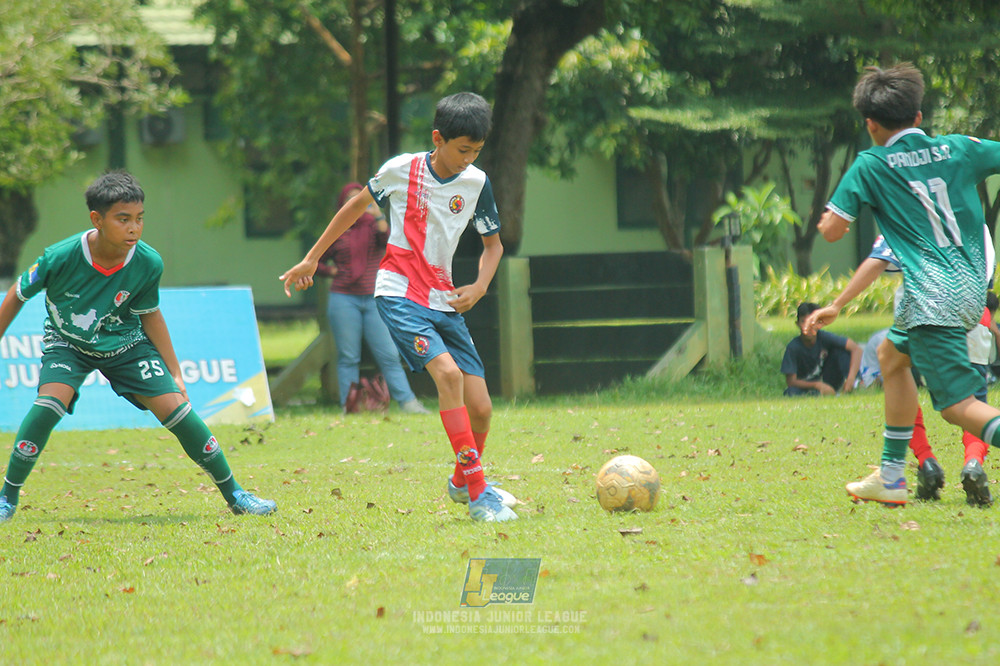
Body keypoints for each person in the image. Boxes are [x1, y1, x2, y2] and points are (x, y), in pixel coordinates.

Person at [281, 92, 518, 522]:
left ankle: (462, 481)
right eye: (462, 149)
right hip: (399, 292)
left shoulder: (477, 184)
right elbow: (355, 208)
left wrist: (481, 286)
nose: (468, 159)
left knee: (481, 407)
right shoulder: (401, 170)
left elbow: (493, 245)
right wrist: (313, 257)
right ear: (437, 138)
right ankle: (481, 492)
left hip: (444, 301)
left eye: (476, 151)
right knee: (447, 376)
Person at [0, 171, 277, 523]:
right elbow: (17, 294)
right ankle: (7, 498)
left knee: (178, 411)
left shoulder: (148, 262)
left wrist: (175, 373)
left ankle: (235, 493)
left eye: (139, 219)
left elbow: (150, 315)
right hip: (68, 343)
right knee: (48, 406)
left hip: (126, 346)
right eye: (123, 219)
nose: (134, 228)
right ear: (96, 220)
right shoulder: (60, 256)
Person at [812, 62, 1000, 507]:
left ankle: (896, 475)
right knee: (890, 357)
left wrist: (827, 219)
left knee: (957, 407)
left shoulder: (871, 164)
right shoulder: (959, 148)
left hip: (930, 295)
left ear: (870, 124)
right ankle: (893, 475)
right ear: (918, 117)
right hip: (971, 287)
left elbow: (833, 231)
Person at [807, 234, 997, 504]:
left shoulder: (907, 207)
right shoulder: (975, 220)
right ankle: (973, 463)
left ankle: (924, 462)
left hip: (920, 315)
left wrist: (837, 304)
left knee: (901, 380)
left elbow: (880, 259)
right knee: (973, 400)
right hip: (974, 316)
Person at [317, 182, 429, 415]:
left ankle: (408, 403)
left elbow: (388, 243)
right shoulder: (337, 230)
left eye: (362, 200)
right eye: (351, 200)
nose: (357, 204)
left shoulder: (374, 226)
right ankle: (349, 407)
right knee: (348, 357)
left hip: (374, 299)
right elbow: (316, 261)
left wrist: (378, 215)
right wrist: (332, 272)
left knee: (389, 354)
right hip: (343, 299)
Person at [781, 302, 862, 397]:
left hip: (828, 380)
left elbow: (856, 349)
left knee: (841, 351)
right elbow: (791, 381)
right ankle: (820, 393)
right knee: (791, 393)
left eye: (812, 322)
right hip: (805, 386)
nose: (808, 326)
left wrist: (851, 378)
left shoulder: (823, 337)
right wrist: (817, 385)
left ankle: (856, 385)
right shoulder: (793, 347)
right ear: (797, 324)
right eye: (803, 322)